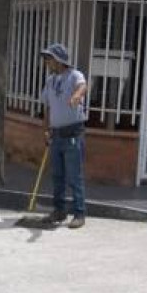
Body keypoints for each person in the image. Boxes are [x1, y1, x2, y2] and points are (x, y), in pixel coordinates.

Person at [40, 43, 87, 229]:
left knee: (74, 176)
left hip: (73, 133)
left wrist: (76, 96)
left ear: (58, 60)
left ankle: (79, 213)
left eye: (49, 58)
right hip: (56, 134)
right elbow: (47, 107)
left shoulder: (74, 75)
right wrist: (46, 129)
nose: (46, 62)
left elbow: (83, 86)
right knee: (57, 176)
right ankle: (59, 210)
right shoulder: (50, 80)